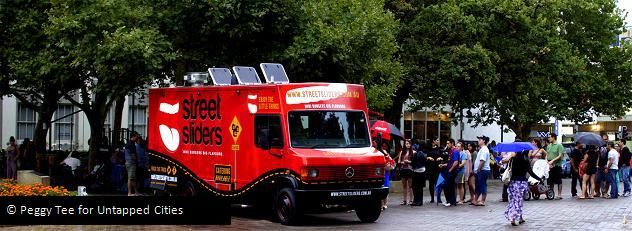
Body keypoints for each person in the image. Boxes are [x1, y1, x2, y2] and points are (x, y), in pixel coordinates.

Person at [504, 150, 543, 226]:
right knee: (519, 201)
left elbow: (506, 168)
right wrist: (539, 179)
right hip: (521, 183)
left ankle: (519, 217)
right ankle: (514, 218)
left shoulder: (513, 159)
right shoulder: (525, 160)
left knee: (513, 200)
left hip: (512, 183)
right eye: (530, 152)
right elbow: (530, 172)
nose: (530, 154)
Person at [545, 133, 565, 200]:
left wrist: (553, 161)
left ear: (554, 138)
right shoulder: (549, 146)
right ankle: (551, 193)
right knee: (550, 180)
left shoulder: (559, 145)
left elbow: (560, 155)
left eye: (550, 137)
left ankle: (559, 194)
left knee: (558, 180)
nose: (549, 138)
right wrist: (546, 161)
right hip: (549, 164)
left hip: (556, 165)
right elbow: (547, 154)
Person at [473, 135, 491, 206]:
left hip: (483, 170)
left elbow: (482, 161)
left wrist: (478, 169)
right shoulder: (482, 149)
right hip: (480, 170)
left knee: (482, 185)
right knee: (478, 185)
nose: (478, 141)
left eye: (480, 139)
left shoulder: (484, 149)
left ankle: (482, 200)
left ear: (484, 141)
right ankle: (475, 199)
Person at [397, 139, 414, 205]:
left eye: (409, 143)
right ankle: (404, 200)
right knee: (404, 186)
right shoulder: (402, 152)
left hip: (410, 169)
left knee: (410, 186)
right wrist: (402, 162)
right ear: (404, 144)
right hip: (403, 169)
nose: (408, 145)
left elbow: (414, 162)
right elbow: (398, 161)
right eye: (406, 143)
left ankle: (411, 200)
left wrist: (408, 162)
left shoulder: (413, 152)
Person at [410, 141, 427, 206]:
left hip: (417, 171)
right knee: (420, 188)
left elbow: (413, 162)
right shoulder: (424, 154)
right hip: (422, 171)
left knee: (415, 187)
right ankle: (420, 201)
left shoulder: (417, 153)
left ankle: (416, 200)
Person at [426, 137, 442, 204]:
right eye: (437, 140)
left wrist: (440, 158)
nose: (438, 141)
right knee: (431, 184)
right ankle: (432, 198)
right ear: (433, 141)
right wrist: (428, 157)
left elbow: (443, 157)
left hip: (437, 168)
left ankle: (439, 198)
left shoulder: (440, 149)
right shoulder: (429, 149)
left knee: (438, 183)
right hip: (430, 168)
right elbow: (425, 156)